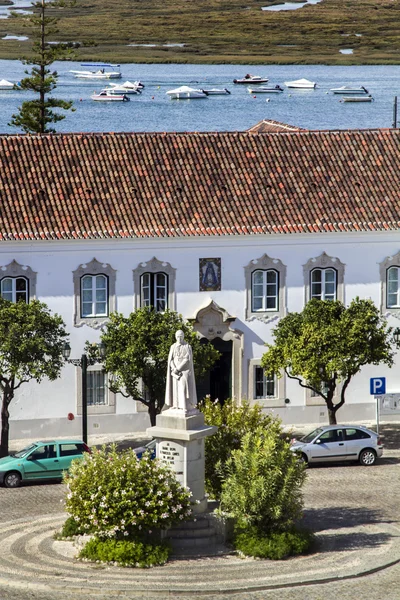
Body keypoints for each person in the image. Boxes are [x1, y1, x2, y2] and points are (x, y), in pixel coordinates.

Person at [165, 330, 197, 412]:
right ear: (175, 337)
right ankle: (175, 405)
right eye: (178, 336)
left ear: (183, 336)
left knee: (183, 387)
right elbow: (170, 359)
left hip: (184, 371)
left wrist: (177, 369)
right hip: (174, 371)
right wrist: (173, 368)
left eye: (181, 336)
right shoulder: (173, 346)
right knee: (175, 388)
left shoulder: (187, 346)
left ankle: (184, 406)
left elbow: (187, 359)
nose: (179, 338)